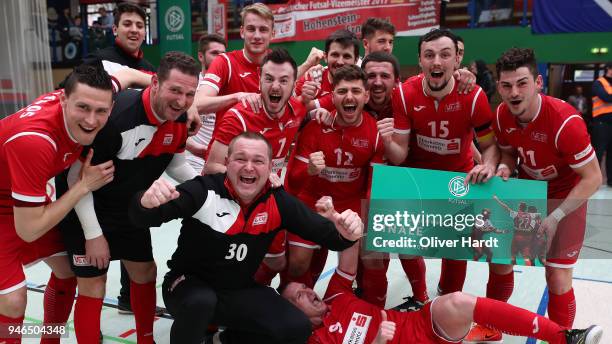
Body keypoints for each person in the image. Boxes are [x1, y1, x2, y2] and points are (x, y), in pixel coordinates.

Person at [128, 131, 363, 344]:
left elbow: (330, 236)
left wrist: (348, 233)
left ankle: (221, 340)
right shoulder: (204, 191)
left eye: (258, 161)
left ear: (270, 167)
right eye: (240, 159)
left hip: (236, 291)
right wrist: (145, 202)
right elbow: (144, 217)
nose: (249, 167)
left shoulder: (278, 201)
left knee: (296, 327)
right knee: (201, 301)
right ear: (227, 163)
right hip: (185, 287)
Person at [279, 198, 604, 344]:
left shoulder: (334, 294)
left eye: (304, 288)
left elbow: (348, 260)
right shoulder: (315, 340)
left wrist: (346, 228)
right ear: (293, 314)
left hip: (422, 325)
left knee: (458, 301)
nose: (309, 290)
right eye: (300, 297)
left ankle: (563, 337)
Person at [57, 52, 200, 344]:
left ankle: (145, 340)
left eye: (189, 94)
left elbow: (175, 163)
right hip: (85, 207)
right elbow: (76, 179)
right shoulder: (116, 117)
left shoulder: (180, 118)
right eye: (175, 90)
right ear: (155, 83)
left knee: (145, 271)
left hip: (127, 208)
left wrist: (206, 187)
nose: (182, 101)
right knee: (93, 283)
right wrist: (93, 234)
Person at [477, 47, 602, 343]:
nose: (514, 92)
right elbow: (507, 151)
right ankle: (490, 328)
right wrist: (505, 168)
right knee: (500, 261)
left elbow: (594, 178)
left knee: (557, 277)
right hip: (528, 193)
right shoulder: (502, 114)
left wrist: (557, 216)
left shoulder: (565, 122)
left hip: (566, 198)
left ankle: (560, 337)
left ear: (538, 83)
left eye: (522, 83)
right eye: (506, 86)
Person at [378, 28, 501, 315]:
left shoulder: (473, 96)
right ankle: (420, 296)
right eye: (429, 55)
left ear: (457, 60)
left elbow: (490, 146)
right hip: (417, 177)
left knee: (455, 249)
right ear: (419, 60)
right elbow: (401, 150)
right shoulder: (404, 94)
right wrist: (385, 141)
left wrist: (488, 164)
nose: (437, 62)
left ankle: (447, 300)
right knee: (405, 243)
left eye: (445, 55)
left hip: (457, 179)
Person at [0, 64, 115, 344]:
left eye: (101, 111)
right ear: (63, 99)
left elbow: (125, 75)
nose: (91, 119)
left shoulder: (93, 92)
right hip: (11, 210)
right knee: (14, 301)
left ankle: (49, 340)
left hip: (19, 196)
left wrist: (192, 104)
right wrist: (83, 186)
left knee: (67, 271)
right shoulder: (36, 141)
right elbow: (29, 230)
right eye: (83, 108)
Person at [204, 48, 310, 285]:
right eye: (269, 78)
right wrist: (256, 177)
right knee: (228, 264)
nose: (275, 87)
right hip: (233, 203)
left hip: (269, 201)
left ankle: (251, 298)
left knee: (277, 262)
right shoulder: (238, 117)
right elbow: (211, 167)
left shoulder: (297, 111)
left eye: (284, 81)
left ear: (294, 84)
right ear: (259, 79)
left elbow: (309, 110)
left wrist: (320, 111)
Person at [284, 65, 385, 290]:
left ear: (366, 96)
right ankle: (300, 312)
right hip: (313, 201)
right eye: (342, 91)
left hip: (351, 204)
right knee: (298, 264)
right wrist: (309, 170)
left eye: (356, 91)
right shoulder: (316, 126)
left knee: (368, 263)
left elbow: (373, 185)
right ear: (333, 96)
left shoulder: (376, 133)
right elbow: (293, 181)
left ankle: (356, 312)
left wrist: (368, 223)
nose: (349, 96)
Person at [185, 34, 227, 173]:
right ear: (201, 56)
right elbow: (172, 127)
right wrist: (195, 148)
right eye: (214, 53)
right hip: (193, 159)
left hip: (222, 160)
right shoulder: (189, 87)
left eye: (223, 54)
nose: (220, 58)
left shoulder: (230, 87)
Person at [297, 29, 361, 112]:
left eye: (346, 56)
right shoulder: (312, 77)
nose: (340, 62)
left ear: (356, 60)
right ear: (325, 56)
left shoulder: (361, 84)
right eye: (335, 55)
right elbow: (285, 108)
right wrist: (302, 98)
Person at [591, 63, 612, 186]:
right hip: (601, 123)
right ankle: (593, 181)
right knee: (598, 152)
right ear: (608, 69)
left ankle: (610, 181)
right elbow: (605, 97)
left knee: (611, 154)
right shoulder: (598, 83)